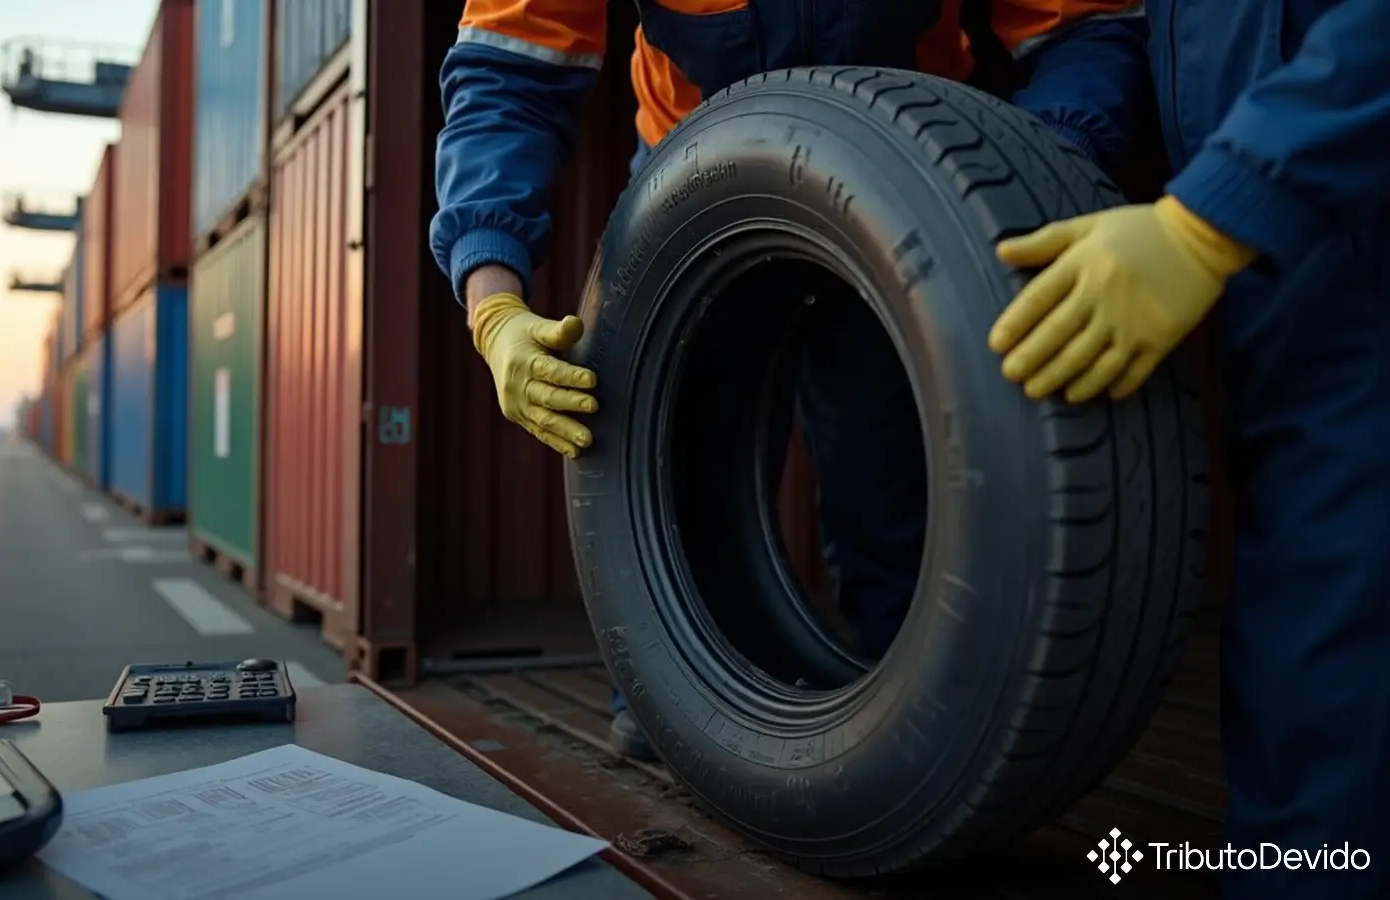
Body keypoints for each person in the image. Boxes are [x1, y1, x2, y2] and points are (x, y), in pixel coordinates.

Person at [430, 0, 1150, 762]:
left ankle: (911, 749)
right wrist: (493, 303)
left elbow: (1080, 26)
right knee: (672, 497)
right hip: (692, 199)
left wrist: (1022, 187)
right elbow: (511, 65)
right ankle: (674, 718)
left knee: (897, 497)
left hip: (918, 181)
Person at [986, 1, 1389, 897]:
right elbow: (1149, 28)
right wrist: (1029, 162)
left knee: (1344, 681)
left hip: (1351, 252)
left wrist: (1210, 215)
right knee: (1302, 655)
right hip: (1286, 279)